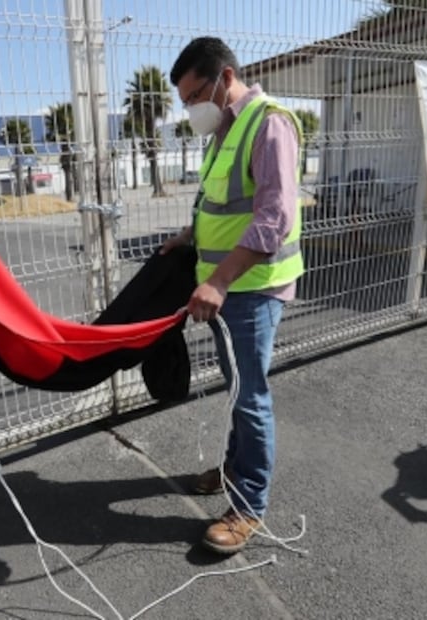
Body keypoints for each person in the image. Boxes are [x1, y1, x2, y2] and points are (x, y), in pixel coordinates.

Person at [163, 37, 305, 555]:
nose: (192, 108)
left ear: (224, 78)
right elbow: (224, 207)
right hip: (228, 291)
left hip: (251, 290)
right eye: (185, 102)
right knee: (239, 390)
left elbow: (273, 220)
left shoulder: (268, 124)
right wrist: (189, 234)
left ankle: (249, 506)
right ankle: (233, 469)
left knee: (250, 396)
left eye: (196, 94)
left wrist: (218, 281)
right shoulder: (223, 131)